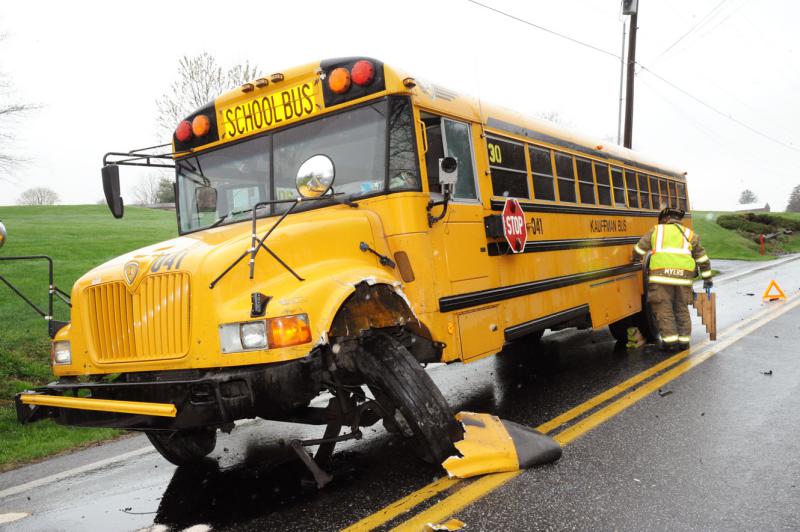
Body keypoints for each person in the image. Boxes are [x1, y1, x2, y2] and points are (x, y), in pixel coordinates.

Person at [633, 207, 712, 351]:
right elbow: (703, 259)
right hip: (683, 280)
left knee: (664, 309)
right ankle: (684, 342)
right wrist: (707, 279)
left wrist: (636, 258)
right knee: (681, 308)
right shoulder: (690, 234)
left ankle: (670, 343)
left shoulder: (657, 231)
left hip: (661, 279)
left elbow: (639, 249)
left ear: (665, 219)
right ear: (679, 220)